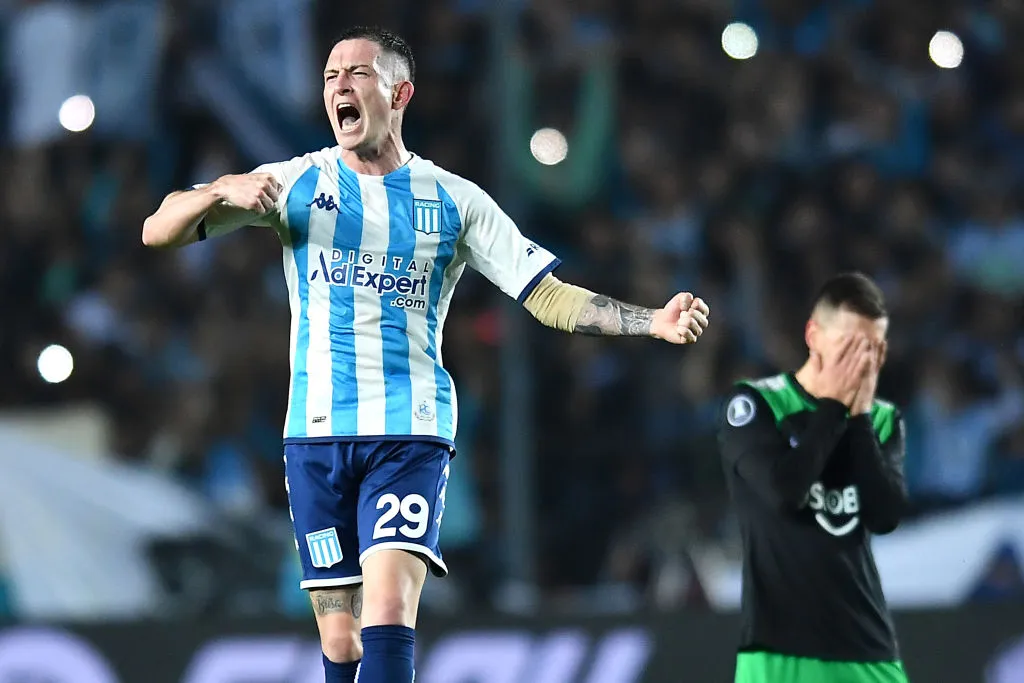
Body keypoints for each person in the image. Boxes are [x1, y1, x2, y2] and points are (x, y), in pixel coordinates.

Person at [142, 26, 711, 683]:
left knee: (388, 603)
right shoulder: (293, 182)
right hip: (317, 435)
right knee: (341, 636)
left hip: (409, 430)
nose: (340, 86)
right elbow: (157, 230)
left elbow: (547, 297)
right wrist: (218, 192)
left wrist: (651, 321)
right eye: (331, 76)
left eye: (358, 73)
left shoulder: (455, 200)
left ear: (400, 92)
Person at [716, 272, 909, 683]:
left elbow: (885, 516)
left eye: (873, 347)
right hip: (779, 655)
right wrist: (834, 408)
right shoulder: (756, 405)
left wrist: (857, 419)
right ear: (814, 335)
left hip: (867, 653)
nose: (863, 360)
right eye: (850, 345)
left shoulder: (882, 420)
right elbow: (786, 492)